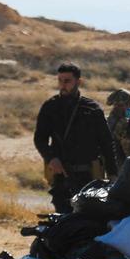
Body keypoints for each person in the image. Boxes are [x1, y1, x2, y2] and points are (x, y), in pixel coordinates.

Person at [34, 63, 118, 214]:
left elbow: (106, 143)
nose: (62, 85)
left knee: (89, 220)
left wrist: (112, 173)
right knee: (63, 220)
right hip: (61, 176)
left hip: (88, 176)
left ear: (78, 82)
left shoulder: (92, 108)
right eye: (60, 80)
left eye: (67, 81)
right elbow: (40, 139)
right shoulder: (50, 107)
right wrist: (51, 158)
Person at [105, 89, 130, 161]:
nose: (116, 107)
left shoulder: (126, 122)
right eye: (115, 105)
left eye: (120, 105)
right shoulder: (113, 118)